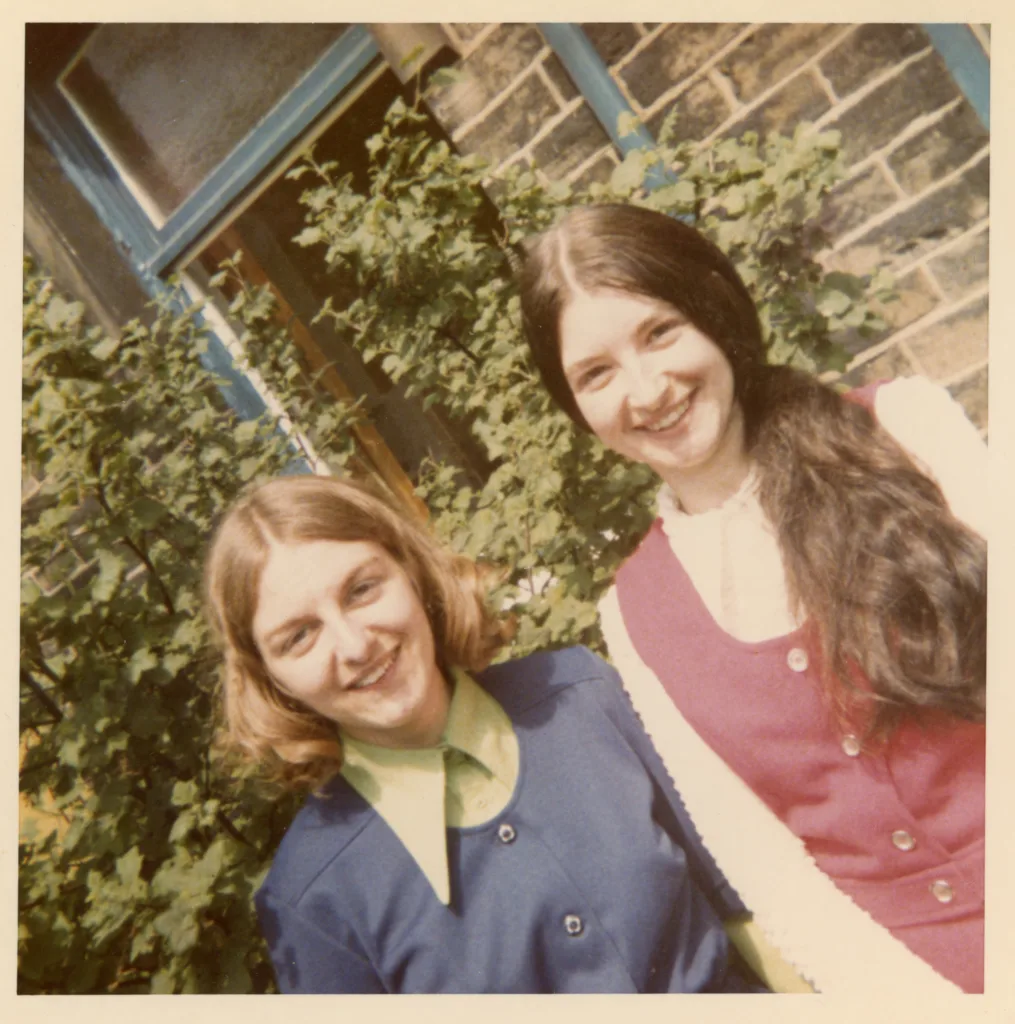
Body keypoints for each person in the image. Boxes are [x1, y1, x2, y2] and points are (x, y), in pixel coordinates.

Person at [518, 202, 986, 995]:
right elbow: (769, 870)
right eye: (594, 374)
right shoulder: (633, 617)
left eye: (659, 331)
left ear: (713, 314)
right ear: (577, 411)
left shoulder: (905, 430)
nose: (646, 389)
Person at [203, 473, 772, 994]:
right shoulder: (313, 900)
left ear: (411, 572)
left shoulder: (580, 694)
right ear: (268, 677)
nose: (355, 646)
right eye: (299, 636)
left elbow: (752, 904)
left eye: (362, 590)